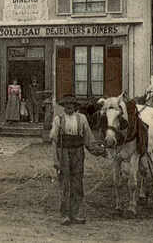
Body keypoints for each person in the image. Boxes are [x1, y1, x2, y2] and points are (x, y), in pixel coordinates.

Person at [49, 94, 105, 225]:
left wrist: (99, 151)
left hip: (78, 153)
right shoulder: (59, 120)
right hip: (63, 152)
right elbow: (54, 141)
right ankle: (65, 215)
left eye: (71, 105)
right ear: (63, 107)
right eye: (66, 105)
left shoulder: (82, 119)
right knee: (65, 183)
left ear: (75, 107)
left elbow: (89, 140)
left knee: (77, 184)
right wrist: (55, 160)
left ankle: (76, 214)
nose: (68, 107)